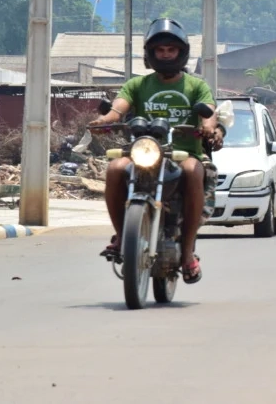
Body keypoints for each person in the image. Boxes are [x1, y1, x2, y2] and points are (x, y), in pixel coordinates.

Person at [90, 18, 222, 284]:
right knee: (115, 168)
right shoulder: (137, 85)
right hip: (143, 151)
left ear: (180, 53)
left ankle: (187, 254)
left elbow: (208, 114)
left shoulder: (196, 86)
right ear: (150, 54)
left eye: (170, 50)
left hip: (183, 153)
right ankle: (120, 237)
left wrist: (208, 127)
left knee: (193, 172)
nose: (165, 54)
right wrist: (104, 121)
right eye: (160, 50)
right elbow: (119, 108)